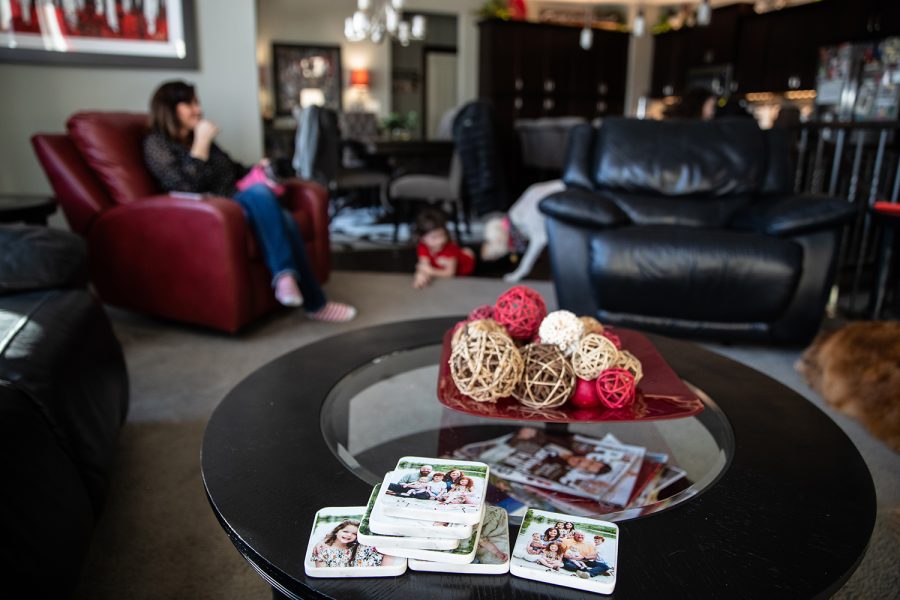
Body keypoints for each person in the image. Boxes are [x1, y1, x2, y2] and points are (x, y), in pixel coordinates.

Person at [142, 80, 356, 322]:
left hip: (239, 200)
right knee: (262, 197)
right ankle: (293, 283)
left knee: (286, 219)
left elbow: (233, 171)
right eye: (190, 104)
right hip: (213, 212)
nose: (198, 110)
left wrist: (260, 169)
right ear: (169, 108)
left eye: (197, 103)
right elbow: (184, 187)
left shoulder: (201, 140)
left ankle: (311, 300)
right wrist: (200, 143)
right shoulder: (156, 144)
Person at [412, 207, 475, 289]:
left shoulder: (449, 248)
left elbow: (450, 273)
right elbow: (424, 264)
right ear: (422, 238)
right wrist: (420, 275)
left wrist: (430, 271)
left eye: (442, 235)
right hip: (440, 265)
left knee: (467, 255)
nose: (440, 241)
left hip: (463, 267)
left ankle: (467, 252)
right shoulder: (422, 246)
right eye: (434, 238)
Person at [311, 520, 384, 567]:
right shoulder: (322, 549)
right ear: (336, 532)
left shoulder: (355, 549)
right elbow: (321, 572)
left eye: (354, 534)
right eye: (345, 531)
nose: (349, 535)